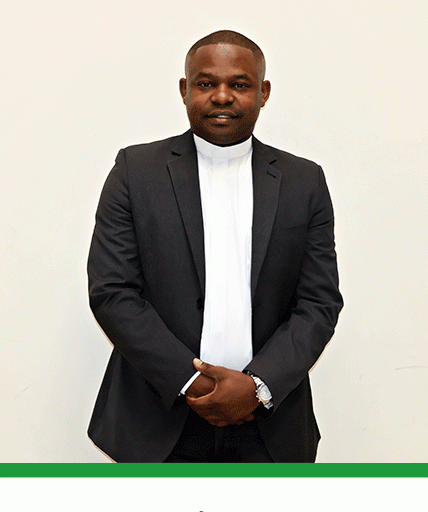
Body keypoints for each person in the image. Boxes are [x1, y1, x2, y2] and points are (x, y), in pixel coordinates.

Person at [87, 30, 343, 463]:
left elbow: (319, 303)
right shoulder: (135, 171)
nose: (222, 96)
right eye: (206, 83)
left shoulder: (305, 181)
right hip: (155, 421)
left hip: (269, 423)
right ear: (184, 90)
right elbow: (112, 292)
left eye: (239, 84)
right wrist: (193, 383)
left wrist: (257, 386)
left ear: (263, 93)